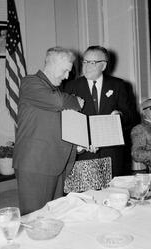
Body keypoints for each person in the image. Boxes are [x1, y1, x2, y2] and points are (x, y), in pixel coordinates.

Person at [13, 46, 84, 215]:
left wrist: (78, 146)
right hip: (35, 164)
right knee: (35, 218)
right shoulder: (30, 82)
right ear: (52, 64)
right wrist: (76, 101)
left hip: (55, 162)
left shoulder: (53, 90)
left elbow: (54, 128)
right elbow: (58, 103)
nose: (67, 76)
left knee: (54, 216)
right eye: (65, 70)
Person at [63, 45, 135, 177]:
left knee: (112, 195)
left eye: (92, 63)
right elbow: (66, 121)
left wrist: (119, 116)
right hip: (84, 155)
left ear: (103, 65)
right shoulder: (71, 86)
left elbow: (131, 116)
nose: (86, 67)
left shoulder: (118, 85)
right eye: (84, 62)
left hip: (112, 155)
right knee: (86, 196)